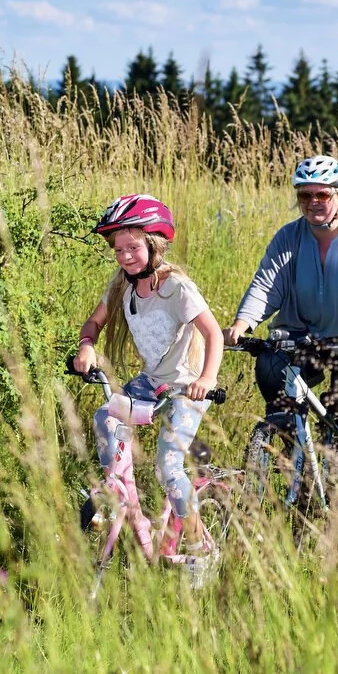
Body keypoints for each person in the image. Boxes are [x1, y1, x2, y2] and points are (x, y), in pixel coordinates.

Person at [224, 155, 338, 486]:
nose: (313, 202)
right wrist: (242, 323)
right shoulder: (289, 236)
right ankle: (295, 451)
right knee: (269, 365)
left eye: (323, 195)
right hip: (308, 337)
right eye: (305, 195)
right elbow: (266, 284)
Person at [72, 194, 224, 550]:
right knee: (106, 416)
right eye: (119, 249)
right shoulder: (122, 283)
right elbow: (95, 320)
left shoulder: (177, 288)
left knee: (168, 467)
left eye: (133, 247)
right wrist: (86, 345)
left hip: (186, 388)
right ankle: (116, 493)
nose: (125, 256)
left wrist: (206, 379)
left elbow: (213, 333)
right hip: (152, 383)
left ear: (154, 245)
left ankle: (197, 544)